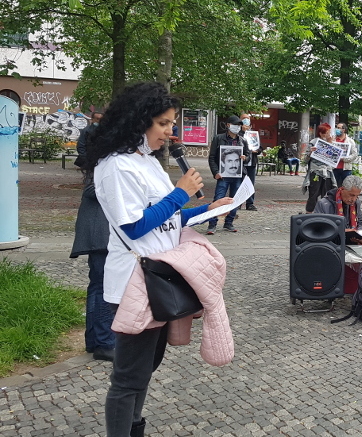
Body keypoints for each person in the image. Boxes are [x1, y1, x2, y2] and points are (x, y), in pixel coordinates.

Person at [86, 82, 233, 437]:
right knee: (128, 376)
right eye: (164, 123)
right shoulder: (116, 166)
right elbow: (135, 225)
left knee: (146, 367)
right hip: (135, 280)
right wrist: (180, 193)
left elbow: (168, 218)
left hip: (159, 276)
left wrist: (206, 210)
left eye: (172, 123)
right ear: (139, 121)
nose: (170, 132)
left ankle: (135, 427)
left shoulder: (148, 162)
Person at [70, 166, 115, 362]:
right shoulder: (106, 159)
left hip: (102, 231)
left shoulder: (106, 158)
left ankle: (95, 341)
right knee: (104, 286)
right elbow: (91, 189)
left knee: (98, 286)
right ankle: (104, 343)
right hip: (101, 232)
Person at [207, 115, 250, 234]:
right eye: (235, 125)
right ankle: (212, 224)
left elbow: (248, 155)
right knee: (218, 198)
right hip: (223, 175)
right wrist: (216, 172)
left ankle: (229, 222)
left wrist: (245, 158)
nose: (237, 127)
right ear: (228, 125)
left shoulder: (242, 140)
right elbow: (212, 157)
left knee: (234, 200)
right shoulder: (218, 138)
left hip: (237, 175)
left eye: (239, 125)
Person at [314, 175, 362, 245]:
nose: (354, 199)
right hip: (334, 236)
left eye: (357, 196)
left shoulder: (356, 202)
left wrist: (361, 234)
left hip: (352, 236)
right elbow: (320, 228)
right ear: (342, 190)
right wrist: (343, 231)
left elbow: (361, 222)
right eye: (351, 195)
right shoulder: (324, 203)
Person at [302, 123, 338, 213]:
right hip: (316, 171)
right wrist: (310, 153)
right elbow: (304, 160)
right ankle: (309, 212)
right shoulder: (314, 142)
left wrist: (330, 144)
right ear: (321, 134)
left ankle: (326, 213)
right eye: (327, 132)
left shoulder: (332, 142)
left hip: (328, 172)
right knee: (313, 194)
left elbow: (334, 159)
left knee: (327, 194)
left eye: (329, 132)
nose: (329, 134)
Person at [240, 113, 261, 211]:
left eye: (247, 118)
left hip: (251, 163)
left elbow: (260, 147)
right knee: (239, 183)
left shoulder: (253, 134)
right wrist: (242, 131)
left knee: (250, 184)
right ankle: (238, 203)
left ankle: (250, 203)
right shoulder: (237, 133)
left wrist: (257, 151)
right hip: (241, 163)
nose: (246, 120)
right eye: (244, 118)